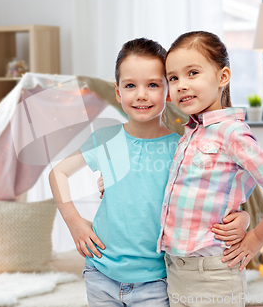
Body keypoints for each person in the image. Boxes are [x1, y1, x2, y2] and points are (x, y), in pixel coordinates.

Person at [49, 38, 250, 307]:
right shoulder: (104, 139)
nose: (141, 94)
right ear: (118, 93)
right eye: (130, 85)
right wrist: (74, 221)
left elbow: (212, 198)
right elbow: (58, 173)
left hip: (157, 281)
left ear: (168, 92)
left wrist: (243, 218)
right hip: (99, 274)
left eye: (153, 85)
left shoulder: (183, 148)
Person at [159, 31, 263, 307]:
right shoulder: (190, 133)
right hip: (175, 270)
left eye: (193, 73)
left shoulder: (232, 134)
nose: (181, 85)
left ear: (222, 77)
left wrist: (256, 238)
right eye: (173, 78)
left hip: (213, 273)